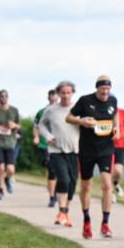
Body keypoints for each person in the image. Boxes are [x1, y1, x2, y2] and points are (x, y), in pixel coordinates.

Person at [67, 75, 120, 239]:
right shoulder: (85, 100)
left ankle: (105, 223)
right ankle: (87, 220)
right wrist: (82, 122)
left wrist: (117, 127)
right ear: (97, 88)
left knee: (106, 183)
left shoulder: (112, 101)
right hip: (87, 150)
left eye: (107, 89)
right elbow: (68, 117)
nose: (105, 92)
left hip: (106, 149)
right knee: (86, 186)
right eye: (102, 89)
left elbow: (115, 114)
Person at [40, 81, 81, 227]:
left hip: (75, 151)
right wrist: (48, 137)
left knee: (72, 182)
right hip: (56, 150)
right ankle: (62, 211)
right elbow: (41, 124)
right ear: (58, 94)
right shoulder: (51, 110)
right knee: (63, 179)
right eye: (63, 93)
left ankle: (65, 212)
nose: (65, 96)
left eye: (68, 92)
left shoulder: (78, 108)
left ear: (72, 93)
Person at [33, 89, 59, 207]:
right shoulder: (42, 112)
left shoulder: (63, 111)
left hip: (59, 145)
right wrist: (36, 137)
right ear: (48, 99)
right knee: (52, 169)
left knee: (56, 171)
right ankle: (52, 197)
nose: (53, 101)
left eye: (55, 99)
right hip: (45, 144)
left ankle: (55, 190)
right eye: (51, 99)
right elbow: (36, 126)